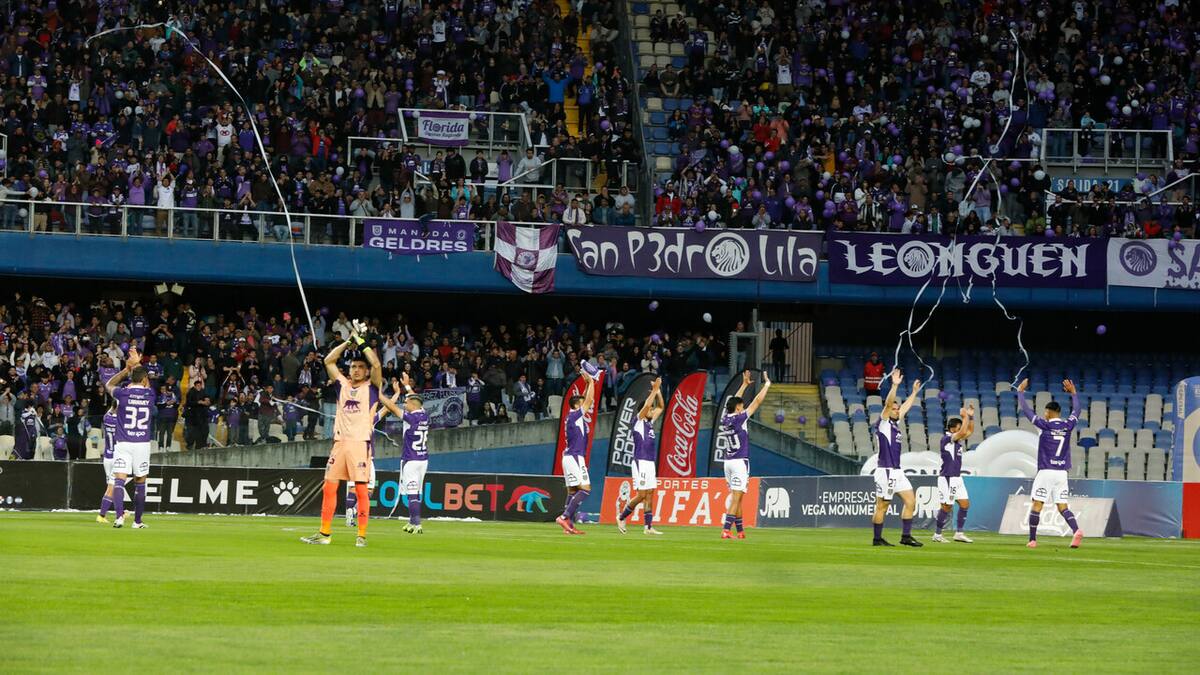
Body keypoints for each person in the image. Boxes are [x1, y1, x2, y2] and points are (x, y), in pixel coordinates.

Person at [302, 321, 406, 547]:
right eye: (353, 367)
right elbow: (329, 360)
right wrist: (346, 342)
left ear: (366, 371)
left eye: (360, 367)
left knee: (361, 490)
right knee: (329, 487)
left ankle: (361, 535)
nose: (356, 370)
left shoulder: (371, 387)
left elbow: (377, 364)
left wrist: (361, 342)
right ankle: (324, 534)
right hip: (339, 443)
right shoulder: (342, 384)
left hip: (360, 444)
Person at [1017, 378, 1084, 549]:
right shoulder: (1068, 425)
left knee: (1037, 503)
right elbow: (1077, 410)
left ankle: (1032, 540)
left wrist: (1020, 393)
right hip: (1062, 472)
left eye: (1045, 411)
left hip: (1046, 471)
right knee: (1062, 506)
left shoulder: (1043, 425)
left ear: (1047, 412)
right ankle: (1076, 530)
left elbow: (1027, 411)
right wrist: (1074, 393)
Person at [871, 369, 923, 547]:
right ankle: (877, 539)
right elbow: (888, 404)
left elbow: (905, 407)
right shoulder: (884, 422)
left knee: (911, 501)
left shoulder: (895, 423)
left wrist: (914, 392)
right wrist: (894, 385)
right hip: (885, 470)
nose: (897, 409)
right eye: (895, 408)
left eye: (897, 408)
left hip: (897, 471)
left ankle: (906, 537)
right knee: (882, 506)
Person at [105, 348, 156, 529]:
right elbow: (146, 381)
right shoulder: (149, 394)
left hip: (123, 443)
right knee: (140, 482)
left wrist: (126, 370)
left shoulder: (122, 393)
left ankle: (119, 518)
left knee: (119, 479)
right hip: (142, 444)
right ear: (143, 379)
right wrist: (137, 363)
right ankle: (137, 521)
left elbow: (108, 385)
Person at [718, 370, 771, 539]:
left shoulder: (725, 418)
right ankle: (726, 530)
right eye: (741, 405)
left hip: (728, 462)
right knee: (736, 498)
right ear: (739, 408)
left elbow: (732, 402)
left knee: (737, 497)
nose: (743, 405)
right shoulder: (741, 418)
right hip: (740, 461)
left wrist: (744, 385)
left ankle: (740, 531)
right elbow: (757, 401)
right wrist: (767, 385)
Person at [617, 377, 664, 535]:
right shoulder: (637, 421)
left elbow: (661, 407)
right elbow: (647, 406)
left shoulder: (650, 423)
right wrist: (655, 390)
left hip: (650, 462)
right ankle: (622, 516)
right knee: (642, 494)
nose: (652, 411)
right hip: (640, 462)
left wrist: (658, 392)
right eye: (650, 410)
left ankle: (648, 527)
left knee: (650, 493)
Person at [555, 369, 596, 535]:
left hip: (569, 457)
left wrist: (586, 384)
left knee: (573, 492)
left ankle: (569, 526)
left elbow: (585, 398)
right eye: (582, 401)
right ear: (577, 405)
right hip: (575, 457)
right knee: (585, 489)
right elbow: (589, 399)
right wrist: (592, 381)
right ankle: (564, 517)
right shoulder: (575, 416)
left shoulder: (572, 416)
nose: (585, 402)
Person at [932, 406, 975, 543]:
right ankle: (937, 535)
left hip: (957, 478)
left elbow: (969, 431)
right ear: (953, 428)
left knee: (965, 504)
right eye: (959, 426)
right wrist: (965, 417)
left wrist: (971, 417)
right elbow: (964, 432)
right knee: (947, 506)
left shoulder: (957, 441)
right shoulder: (947, 438)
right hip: (947, 477)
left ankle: (959, 533)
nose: (962, 428)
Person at [396, 373, 431, 534]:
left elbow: (392, 408)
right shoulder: (424, 414)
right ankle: (412, 522)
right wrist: (407, 386)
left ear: (412, 404)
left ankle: (417, 524)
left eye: (406, 402)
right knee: (417, 491)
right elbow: (415, 401)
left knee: (412, 493)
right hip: (423, 459)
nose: (404, 403)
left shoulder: (411, 418)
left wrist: (381, 396)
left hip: (411, 460)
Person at [96, 404, 119, 523]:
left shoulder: (107, 418)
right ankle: (102, 515)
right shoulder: (121, 421)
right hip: (116, 458)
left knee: (113, 487)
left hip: (107, 458)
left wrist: (114, 404)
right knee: (111, 487)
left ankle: (120, 513)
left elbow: (110, 410)